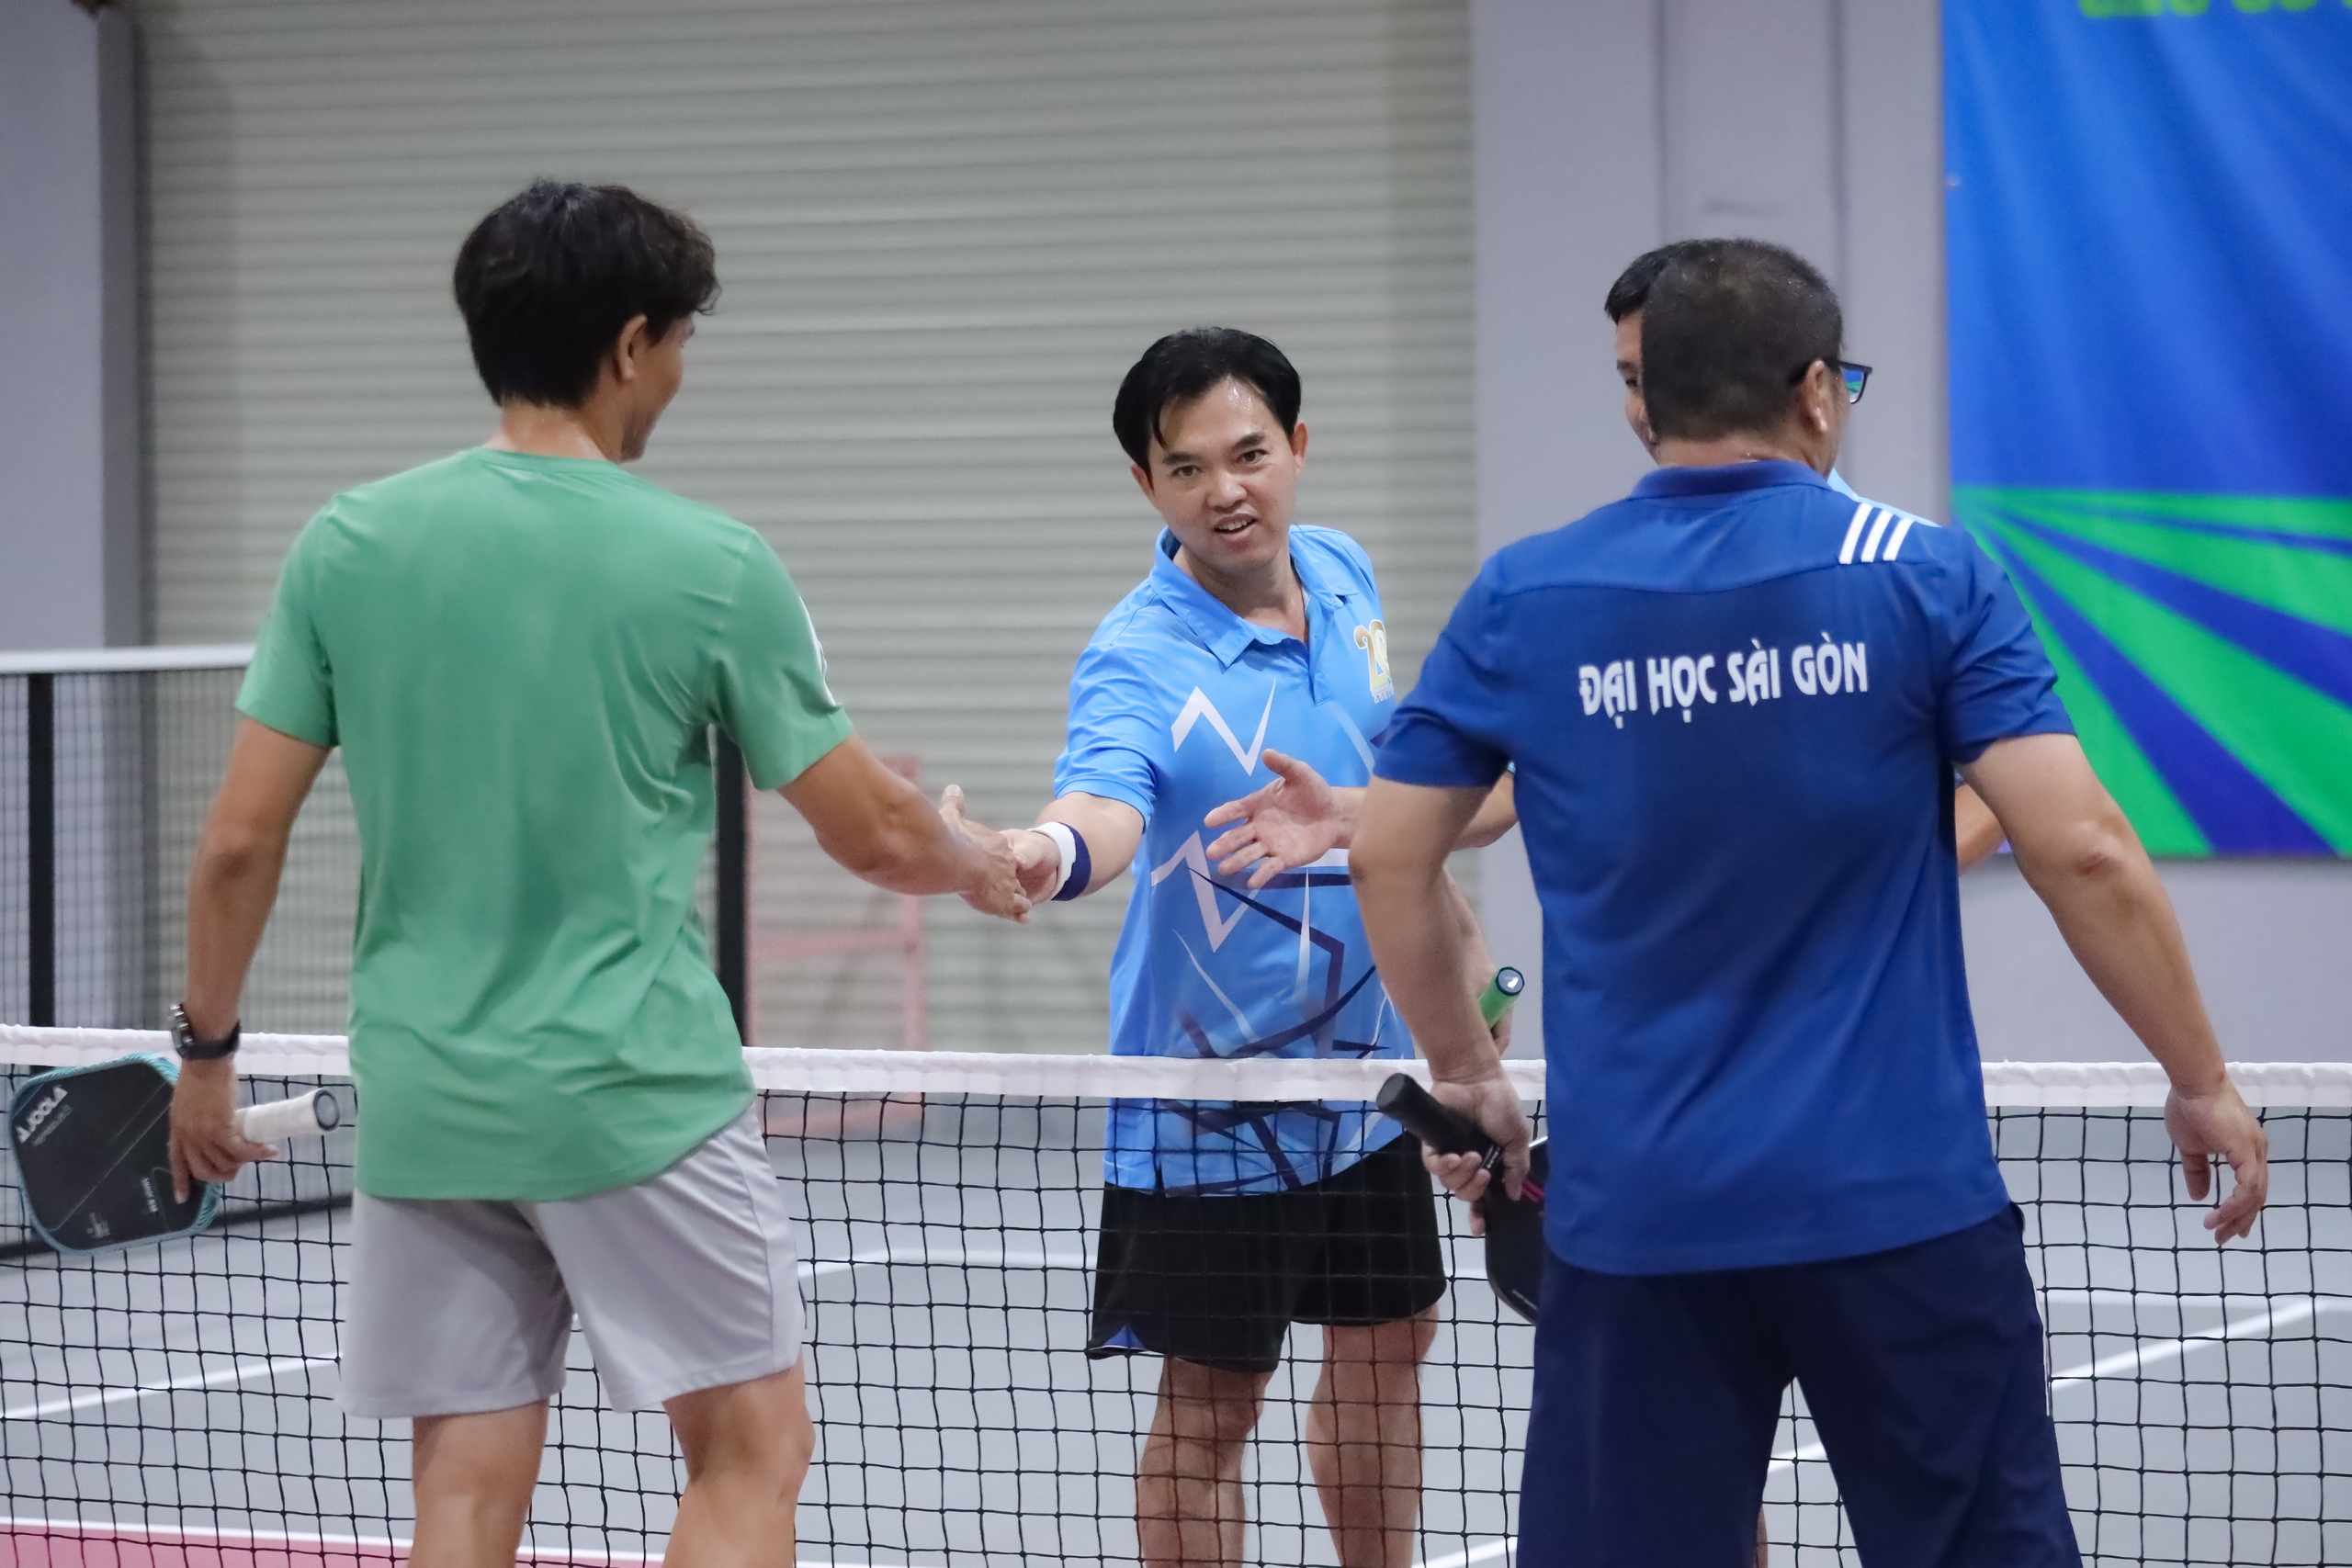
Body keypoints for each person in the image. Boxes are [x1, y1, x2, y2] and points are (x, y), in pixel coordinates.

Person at [1351, 238, 2269, 1567]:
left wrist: (1465, 1066)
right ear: (1818, 389)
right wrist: (2198, 1073)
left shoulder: (1525, 594)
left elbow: (1390, 851)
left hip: (1641, 1222)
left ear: (1644, 394)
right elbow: (2087, 852)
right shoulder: (1929, 574)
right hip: (1901, 1211)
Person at [165, 179, 1029, 1568]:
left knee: (462, 1478)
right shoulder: (710, 564)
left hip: (429, 1090)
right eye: (680, 341)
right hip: (635, 1091)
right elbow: (869, 827)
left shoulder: (347, 542)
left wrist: (205, 1052)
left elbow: (236, 843)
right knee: (752, 1446)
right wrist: (979, 856)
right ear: (632, 343)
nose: (681, 373)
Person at [997, 327, 1503, 1568]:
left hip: (1372, 1078)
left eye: (1250, 453)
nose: (1227, 489)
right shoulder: (1137, 654)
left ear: (1298, 448)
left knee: (1391, 1343)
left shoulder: (1341, 571)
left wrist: (1473, 992)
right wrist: (1044, 855)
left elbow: (1400, 799)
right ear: (1147, 486)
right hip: (1218, 1098)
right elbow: (1103, 801)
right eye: (1186, 468)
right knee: (1215, 1400)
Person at [1204, 242, 2002, 887]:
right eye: (1632, 380)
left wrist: (1867, 897)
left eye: (1659, 376)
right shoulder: (1561, 590)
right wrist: (1351, 814)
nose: (1647, 409)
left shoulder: (1918, 571)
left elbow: (2018, 799)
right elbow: (1504, 791)